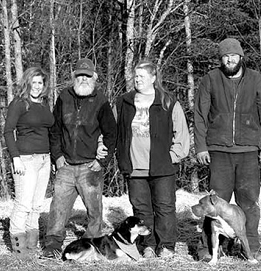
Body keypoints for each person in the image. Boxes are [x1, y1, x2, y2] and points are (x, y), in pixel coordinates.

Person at [112, 59, 190, 258]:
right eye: (136, 76)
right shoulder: (123, 102)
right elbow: (112, 131)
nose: (137, 80)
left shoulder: (167, 101)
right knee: (141, 209)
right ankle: (147, 245)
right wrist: (115, 154)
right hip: (134, 166)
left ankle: (166, 246)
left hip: (162, 166)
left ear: (153, 78)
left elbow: (181, 131)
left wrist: (173, 156)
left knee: (164, 207)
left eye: (142, 76)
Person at [42, 58, 117, 258]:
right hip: (65, 165)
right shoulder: (63, 97)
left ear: (94, 77)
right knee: (58, 207)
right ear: (74, 76)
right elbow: (55, 130)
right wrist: (57, 156)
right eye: (80, 75)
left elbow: (112, 133)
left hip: (89, 167)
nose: (83, 79)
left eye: (87, 75)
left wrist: (101, 161)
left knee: (94, 210)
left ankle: (92, 243)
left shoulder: (100, 100)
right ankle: (52, 245)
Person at [194, 38, 261, 260]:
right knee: (214, 202)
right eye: (225, 56)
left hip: (248, 150)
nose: (229, 59)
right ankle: (210, 248)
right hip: (218, 150)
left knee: (249, 202)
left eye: (233, 55)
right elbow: (200, 115)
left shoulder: (256, 79)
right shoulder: (210, 79)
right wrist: (201, 147)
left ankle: (250, 246)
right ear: (220, 59)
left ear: (241, 57)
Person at [4, 67, 54, 256]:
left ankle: (31, 247)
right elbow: (8, 131)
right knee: (23, 204)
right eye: (33, 82)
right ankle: (19, 249)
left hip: (44, 159)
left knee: (37, 205)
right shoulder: (19, 103)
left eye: (40, 83)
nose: (37, 86)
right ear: (27, 83)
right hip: (25, 159)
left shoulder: (44, 104)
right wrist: (15, 157)